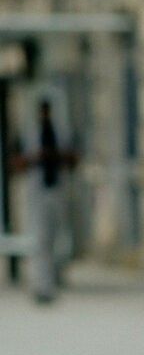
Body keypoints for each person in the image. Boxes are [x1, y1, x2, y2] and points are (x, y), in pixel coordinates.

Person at [9, 97, 78, 304]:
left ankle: (54, 278)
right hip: (37, 191)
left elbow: (73, 159)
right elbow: (16, 162)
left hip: (57, 189)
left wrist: (56, 156)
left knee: (56, 237)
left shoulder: (61, 133)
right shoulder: (29, 134)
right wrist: (35, 158)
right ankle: (41, 285)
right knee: (40, 240)